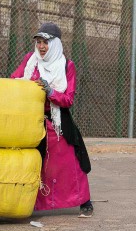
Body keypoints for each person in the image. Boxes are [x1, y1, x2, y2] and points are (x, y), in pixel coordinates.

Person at [11, 22, 93, 217]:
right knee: (34, 164)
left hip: (57, 122)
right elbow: (14, 79)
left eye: (45, 42)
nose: (41, 46)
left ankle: (84, 200)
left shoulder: (67, 66)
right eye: (38, 42)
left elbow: (68, 99)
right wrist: (26, 85)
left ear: (55, 44)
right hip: (31, 119)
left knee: (71, 162)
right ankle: (29, 204)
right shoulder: (30, 60)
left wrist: (50, 91)